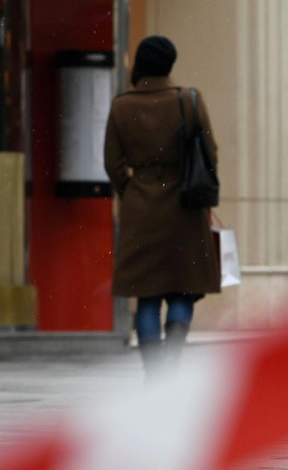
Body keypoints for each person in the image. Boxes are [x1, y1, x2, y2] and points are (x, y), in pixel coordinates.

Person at [104, 35, 219, 380]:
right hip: (185, 206)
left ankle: (154, 372)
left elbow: (112, 163)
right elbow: (209, 154)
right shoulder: (189, 100)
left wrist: (133, 190)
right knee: (184, 286)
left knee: (147, 294)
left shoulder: (122, 105)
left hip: (141, 210)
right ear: (170, 63)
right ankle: (172, 358)